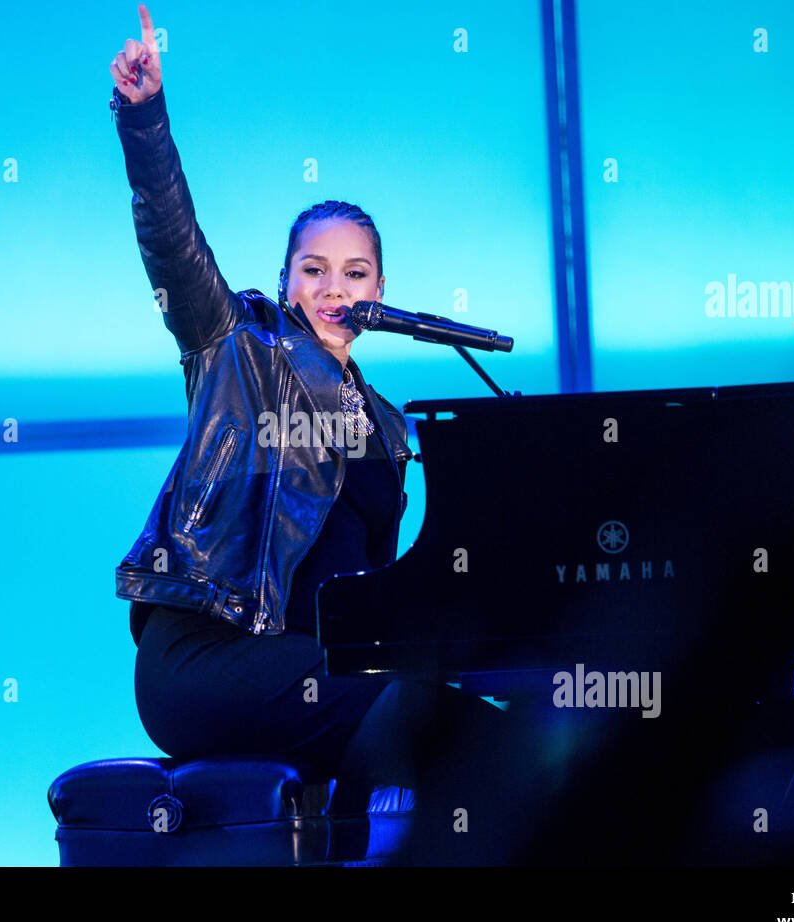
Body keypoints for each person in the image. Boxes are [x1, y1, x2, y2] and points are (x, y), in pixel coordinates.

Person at [107, 4, 512, 856]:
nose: (335, 288)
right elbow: (175, 251)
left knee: (472, 724)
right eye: (314, 270)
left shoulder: (386, 429)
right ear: (286, 281)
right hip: (203, 661)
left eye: (354, 272)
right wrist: (146, 123)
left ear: (379, 288)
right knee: (427, 718)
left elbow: (373, 591)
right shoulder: (237, 352)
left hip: (310, 668)